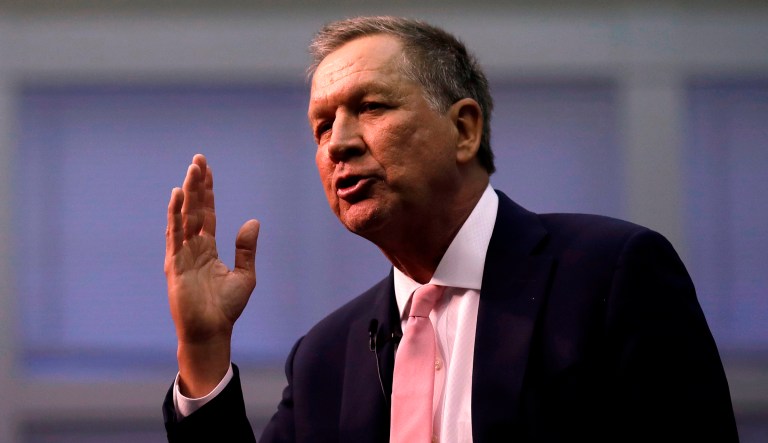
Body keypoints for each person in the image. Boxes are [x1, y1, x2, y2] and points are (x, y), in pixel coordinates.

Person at [162, 16, 738, 443]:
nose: (338, 143)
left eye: (371, 107)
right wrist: (204, 348)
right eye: (321, 127)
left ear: (463, 129)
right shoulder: (325, 357)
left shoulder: (608, 274)